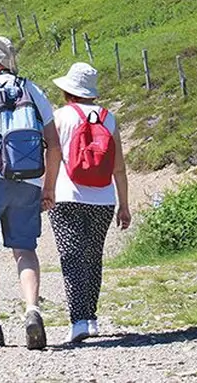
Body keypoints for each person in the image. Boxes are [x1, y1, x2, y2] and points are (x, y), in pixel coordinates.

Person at [0, 36, 60, 350]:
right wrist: (48, 187)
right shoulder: (34, 90)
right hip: (28, 182)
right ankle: (32, 310)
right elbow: (55, 146)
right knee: (24, 249)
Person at [48, 62, 130, 344]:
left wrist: (45, 192)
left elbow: (54, 158)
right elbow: (119, 167)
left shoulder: (60, 116)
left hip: (67, 196)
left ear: (68, 91)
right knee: (93, 257)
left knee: (71, 257)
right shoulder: (109, 118)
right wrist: (124, 204)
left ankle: (78, 320)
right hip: (104, 199)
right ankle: (91, 318)